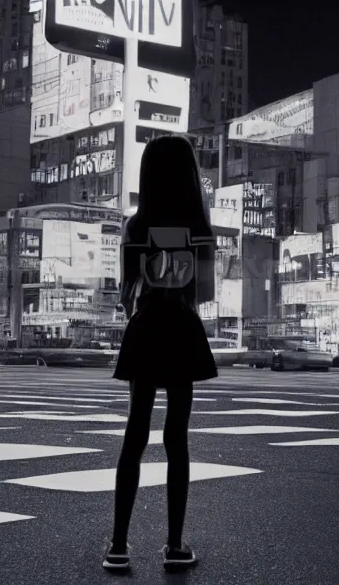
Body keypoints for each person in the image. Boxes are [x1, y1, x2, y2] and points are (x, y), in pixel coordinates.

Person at [105, 135, 217, 573]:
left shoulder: (136, 226)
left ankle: (118, 545)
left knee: (135, 435)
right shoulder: (199, 229)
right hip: (182, 328)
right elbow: (203, 294)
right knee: (177, 439)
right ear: (190, 175)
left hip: (147, 326)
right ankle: (174, 546)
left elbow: (126, 294)